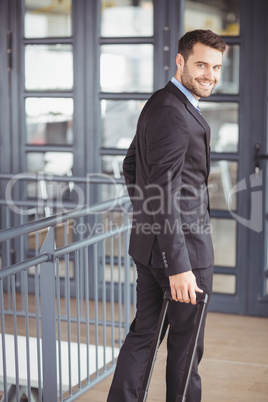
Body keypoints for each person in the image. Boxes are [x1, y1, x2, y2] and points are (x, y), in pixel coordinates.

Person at [107, 29, 226, 402]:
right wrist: (179, 265)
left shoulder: (160, 102)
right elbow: (159, 189)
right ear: (180, 60)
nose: (210, 74)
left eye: (217, 67)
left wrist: (149, 221)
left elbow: (131, 167)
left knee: (143, 336)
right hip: (183, 255)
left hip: (151, 248)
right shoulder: (174, 113)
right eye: (201, 64)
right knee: (186, 351)